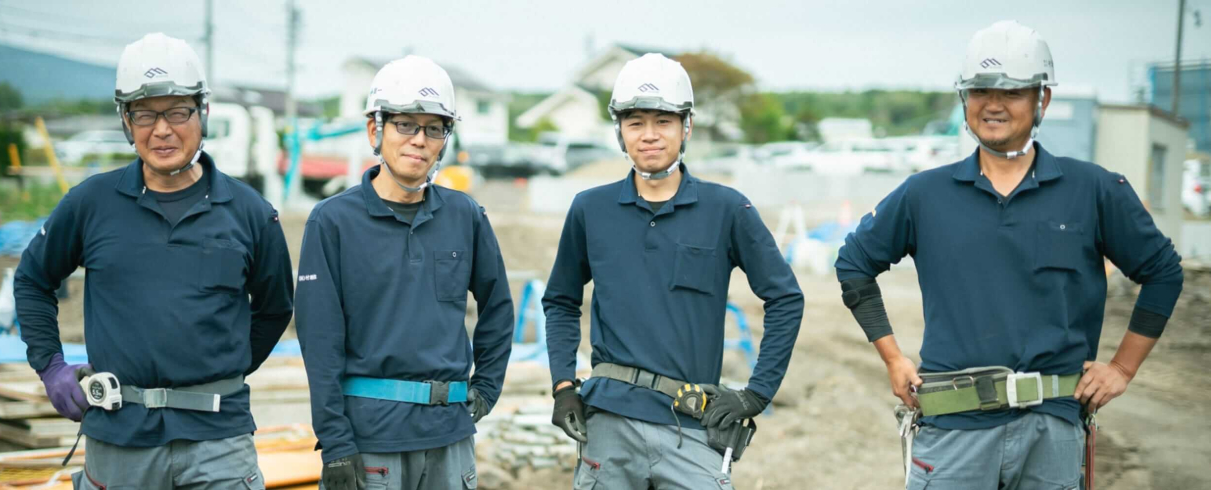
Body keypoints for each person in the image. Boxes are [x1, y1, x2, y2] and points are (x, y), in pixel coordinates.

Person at [835, 20, 1184, 489]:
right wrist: (894, 357)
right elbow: (854, 263)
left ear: (1043, 99)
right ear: (964, 98)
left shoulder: (1095, 190)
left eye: (1013, 91)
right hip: (951, 434)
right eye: (980, 90)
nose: (993, 104)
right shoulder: (925, 194)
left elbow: (1163, 271)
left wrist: (1121, 368)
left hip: (1052, 434)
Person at [14, 32, 295, 489]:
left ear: (202, 112)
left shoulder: (251, 214)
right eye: (144, 113)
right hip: (119, 441)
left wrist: (224, 367)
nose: (161, 129)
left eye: (177, 111)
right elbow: (32, 279)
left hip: (219, 442)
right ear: (126, 120)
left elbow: (275, 308)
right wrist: (51, 367)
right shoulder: (91, 203)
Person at [542, 53, 805, 489]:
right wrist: (562, 385)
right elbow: (561, 301)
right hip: (609, 427)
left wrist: (757, 393)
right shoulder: (590, 209)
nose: (649, 135)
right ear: (619, 130)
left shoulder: (727, 209)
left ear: (687, 127)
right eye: (635, 122)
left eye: (663, 121)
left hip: (693, 429)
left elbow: (785, 298)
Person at [295, 55, 515, 490]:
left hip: (450, 439)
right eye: (406, 125)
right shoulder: (332, 221)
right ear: (376, 129)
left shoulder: (465, 215)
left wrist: (487, 386)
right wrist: (335, 442)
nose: (420, 140)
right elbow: (319, 343)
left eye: (434, 128)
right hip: (371, 440)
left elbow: (499, 307)